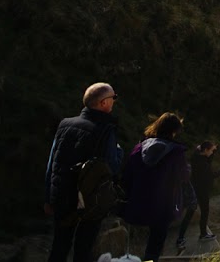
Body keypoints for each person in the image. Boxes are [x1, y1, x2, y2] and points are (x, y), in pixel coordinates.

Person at [45, 83, 123, 262]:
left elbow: (52, 162)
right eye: (114, 98)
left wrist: (48, 197)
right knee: (83, 249)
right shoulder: (105, 130)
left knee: (59, 247)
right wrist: (119, 152)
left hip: (62, 195)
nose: (114, 101)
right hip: (90, 200)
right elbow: (111, 167)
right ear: (103, 102)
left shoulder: (65, 124)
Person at [121, 112, 190, 262]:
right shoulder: (176, 152)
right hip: (163, 204)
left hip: (138, 200)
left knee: (133, 242)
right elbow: (184, 176)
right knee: (155, 244)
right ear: (174, 130)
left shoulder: (139, 148)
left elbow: (127, 174)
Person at [176, 141, 220, 249]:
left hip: (193, 189)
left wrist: (214, 149)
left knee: (189, 213)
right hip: (202, 191)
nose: (212, 152)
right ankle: (203, 234)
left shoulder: (196, 156)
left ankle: (181, 238)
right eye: (211, 150)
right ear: (205, 150)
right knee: (204, 212)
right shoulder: (203, 164)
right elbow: (210, 175)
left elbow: (207, 158)